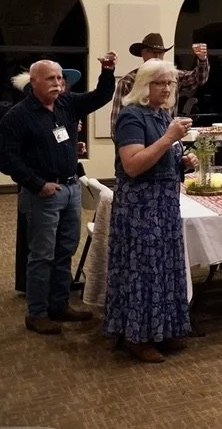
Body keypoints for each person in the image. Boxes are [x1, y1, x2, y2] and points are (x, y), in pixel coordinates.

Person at [0, 53, 117, 334]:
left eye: (60, 78)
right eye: (51, 79)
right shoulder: (17, 116)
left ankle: (59, 304)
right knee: (42, 255)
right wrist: (37, 184)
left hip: (70, 188)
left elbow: (101, 96)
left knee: (65, 250)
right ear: (33, 82)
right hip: (43, 194)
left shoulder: (66, 103)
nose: (58, 83)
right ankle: (37, 313)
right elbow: (5, 158)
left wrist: (107, 71)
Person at [106, 60, 198, 362]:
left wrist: (182, 161)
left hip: (165, 205)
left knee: (165, 268)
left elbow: (159, 156)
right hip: (141, 208)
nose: (167, 88)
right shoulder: (131, 116)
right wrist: (169, 139)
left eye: (170, 83)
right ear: (145, 85)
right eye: (160, 83)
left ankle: (164, 330)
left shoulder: (162, 115)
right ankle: (138, 337)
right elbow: (133, 165)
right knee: (144, 271)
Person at [110, 33, 209, 138]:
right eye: (153, 52)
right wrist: (125, 143)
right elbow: (117, 122)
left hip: (167, 138)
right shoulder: (128, 81)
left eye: (160, 53)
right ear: (143, 53)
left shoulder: (171, 76)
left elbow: (198, 78)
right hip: (138, 140)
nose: (157, 57)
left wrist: (202, 59)